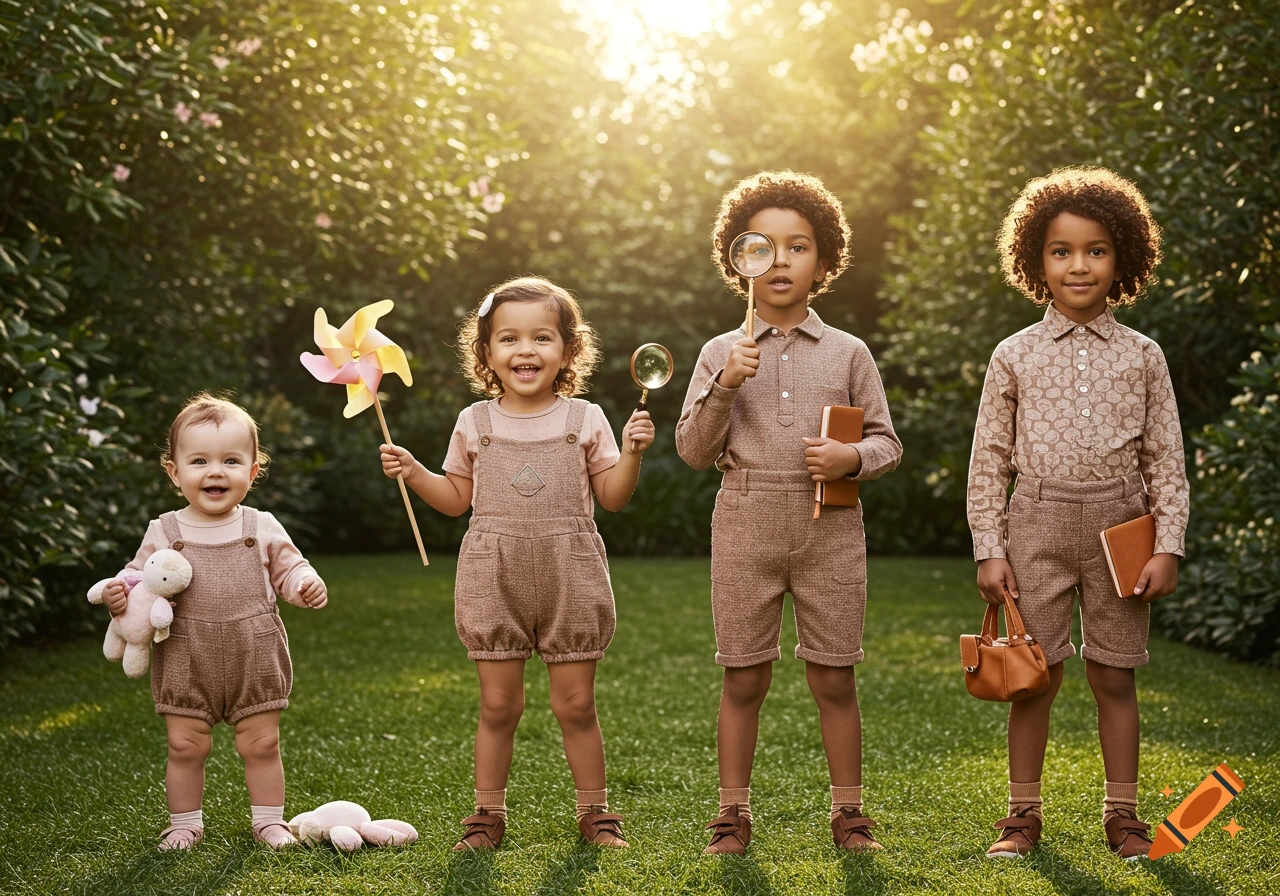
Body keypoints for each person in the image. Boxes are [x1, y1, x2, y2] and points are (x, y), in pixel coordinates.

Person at [380, 276, 655, 849]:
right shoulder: (474, 423)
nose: (525, 350)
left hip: (569, 572)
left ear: (567, 350)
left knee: (576, 703)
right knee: (498, 703)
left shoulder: (587, 420)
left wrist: (630, 454)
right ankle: (487, 815)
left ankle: (595, 814)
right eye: (508, 338)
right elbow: (456, 499)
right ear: (486, 353)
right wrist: (414, 472)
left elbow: (614, 498)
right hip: (492, 574)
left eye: (542, 338)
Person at [675, 171, 902, 853]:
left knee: (834, 675)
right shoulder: (720, 353)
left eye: (797, 246)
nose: (780, 261)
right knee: (744, 675)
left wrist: (849, 460)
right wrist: (724, 387)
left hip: (828, 529)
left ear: (823, 263)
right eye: (762, 248)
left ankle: (849, 812)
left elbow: (888, 443)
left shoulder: (848, 353)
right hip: (745, 523)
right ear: (737, 262)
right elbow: (692, 450)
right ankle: (732, 814)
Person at [968, 167, 1189, 860]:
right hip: (1034, 525)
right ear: (1037, 261)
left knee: (1113, 674)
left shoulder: (1143, 357)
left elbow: (1167, 461)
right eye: (1061, 251)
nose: (1079, 264)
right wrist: (989, 546)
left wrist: (1168, 545)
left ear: (1121, 257)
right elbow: (988, 462)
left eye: (1095, 249)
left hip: (1121, 530)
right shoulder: (1014, 356)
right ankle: (1021, 818)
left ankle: (1121, 816)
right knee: (1034, 675)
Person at [99, 393, 327, 850]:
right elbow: (138, 579)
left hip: (253, 651)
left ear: (252, 471)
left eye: (230, 460)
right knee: (186, 746)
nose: (215, 471)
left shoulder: (260, 525)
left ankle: (268, 822)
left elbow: (289, 568)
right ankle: (184, 823)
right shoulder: (164, 530)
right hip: (186, 653)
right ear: (174, 471)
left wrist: (305, 583)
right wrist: (117, 595)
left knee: (261, 743)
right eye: (199, 460)